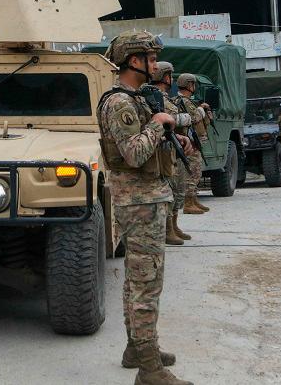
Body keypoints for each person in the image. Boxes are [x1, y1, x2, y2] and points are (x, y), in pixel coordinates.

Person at [98, 30, 193, 385]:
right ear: (133, 61)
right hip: (140, 202)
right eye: (151, 59)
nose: (155, 64)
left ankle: (137, 349)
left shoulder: (134, 98)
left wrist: (171, 137)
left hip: (146, 198)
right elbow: (135, 154)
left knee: (138, 280)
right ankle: (149, 369)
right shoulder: (120, 103)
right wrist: (157, 125)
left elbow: (145, 146)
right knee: (146, 284)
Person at [150, 61, 193, 245]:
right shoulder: (158, 97)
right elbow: (168, 119)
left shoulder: (165, 98)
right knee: (171, 190)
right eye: (170, 75)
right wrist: (184, 118)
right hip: (166, 149)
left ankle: (173, 226)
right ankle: (168, 229)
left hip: (175, 147)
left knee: (177, 190)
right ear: (165, 77)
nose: (172, 79)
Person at [174, 73, 212, 214]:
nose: (194, 87)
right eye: (193, 84)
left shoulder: (184, 101)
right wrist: (202, 110)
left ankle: (193, 200)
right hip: (189, 142)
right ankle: (189, 203)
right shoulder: (184, 101)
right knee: (193, 172)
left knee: (196, 171)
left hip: (191, 141)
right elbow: (195, 117)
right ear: (189, 85)